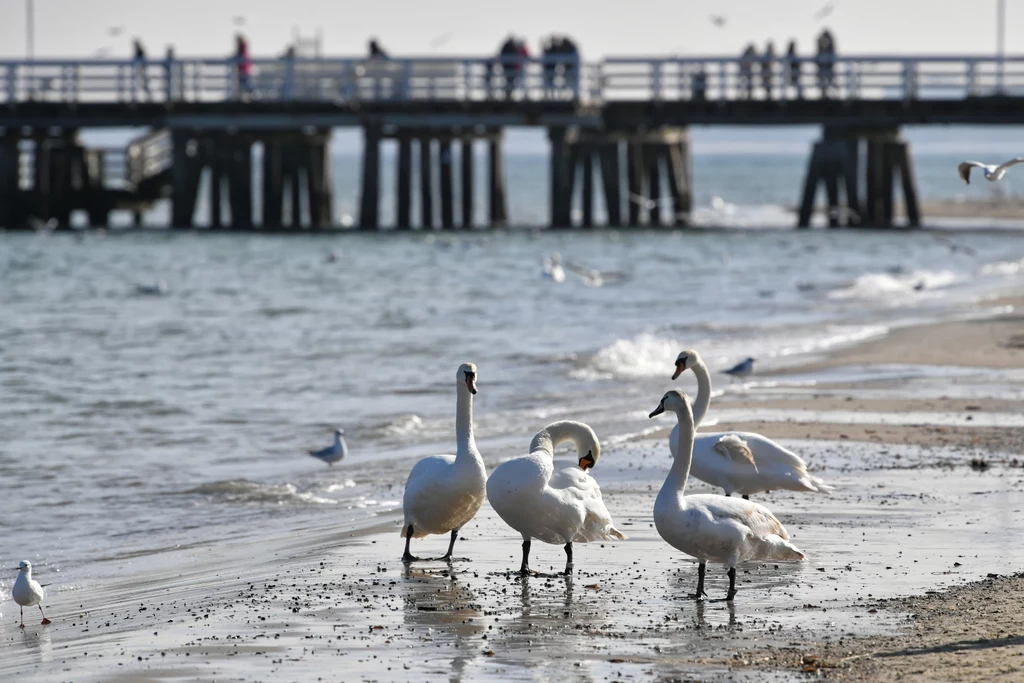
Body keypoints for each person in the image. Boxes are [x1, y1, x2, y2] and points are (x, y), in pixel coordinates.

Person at [816, 29, 835, 97]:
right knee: (824, 80)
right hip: (824, 67)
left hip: (826, 67)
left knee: (828, 80)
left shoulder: (826, 49)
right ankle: (825, 93)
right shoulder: (825, 48)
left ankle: (828, 93)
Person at [235, 34, 253, 99]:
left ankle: (247, 95)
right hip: (244, 68)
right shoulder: (243, 45)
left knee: (244, 82)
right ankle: (247, 95)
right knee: (244, 82)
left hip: (243, 68)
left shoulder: (242, 45)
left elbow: (239, 54)